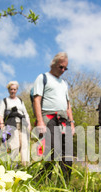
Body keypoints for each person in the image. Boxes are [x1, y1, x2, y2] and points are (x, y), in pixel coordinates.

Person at [32, 52, 75, 181]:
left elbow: (68, 105)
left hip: (64, 120)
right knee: (51, 153)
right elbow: (37, 100)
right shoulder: (43, 77)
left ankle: (64, 185)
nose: (63, 70)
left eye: (65, 68)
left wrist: (71, 123)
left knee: (67, 154)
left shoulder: (64, 84)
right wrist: (40, 122)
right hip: (48, 118)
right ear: (53, 64)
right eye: (60, 67)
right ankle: (41, 182)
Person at [0, 81, 31, 166]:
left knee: (25, 144)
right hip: (11, 124)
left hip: (22, 124)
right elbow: (0, 114)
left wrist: (29, 123)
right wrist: (2, 125)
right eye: (11, 89)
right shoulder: (5, 101)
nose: (13, 91)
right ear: (8, 90)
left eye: (14, 89)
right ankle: (13, 166)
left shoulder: (20, 100)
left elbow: (26, 113)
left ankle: (25, 165)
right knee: (14, 145)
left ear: (17, 90)